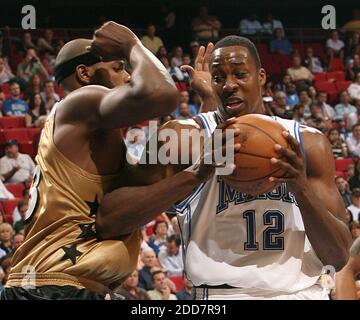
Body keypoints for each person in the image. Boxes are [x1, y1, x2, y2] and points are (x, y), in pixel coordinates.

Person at [101, 36, 352, 300]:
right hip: (222, 296)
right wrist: (198, 173)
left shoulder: (308, 143)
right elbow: (111, 219)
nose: (230, 84)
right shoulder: (180, 139)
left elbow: (338, 256)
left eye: (240, 74)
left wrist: (300, 189)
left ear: (262, 76)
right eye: (219, 77)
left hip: (302, 293)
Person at [0, 22, 179, 300]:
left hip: (59, 283)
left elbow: (142, 187)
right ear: (84, 73)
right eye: (119, 68)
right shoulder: (80, 100)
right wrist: (132, 44)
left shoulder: (93, 133)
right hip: (53, 286)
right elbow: (161, 95)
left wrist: (205, 110)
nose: (129, 76)